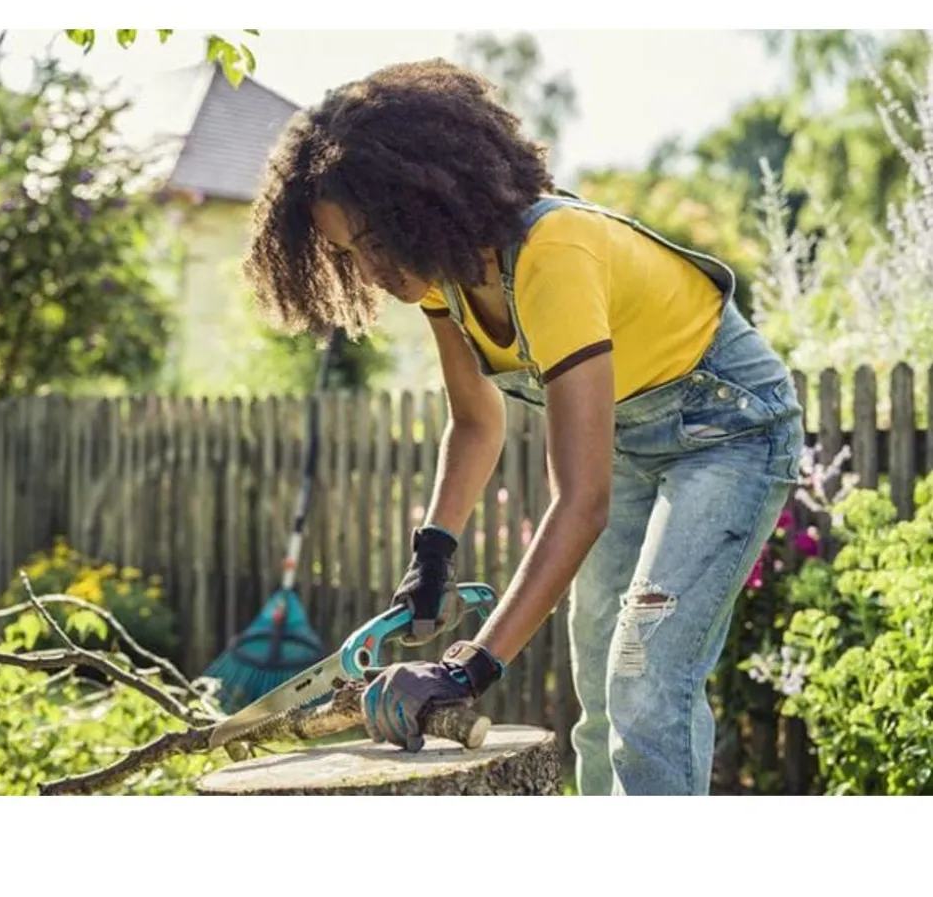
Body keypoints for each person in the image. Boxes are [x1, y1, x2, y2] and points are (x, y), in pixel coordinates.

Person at [243, 58, 804, 795]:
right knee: (600, 689)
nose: (371, 269)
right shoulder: (443, 279)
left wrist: (466, 666)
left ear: (421, 199)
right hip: (636, 441)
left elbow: (582, 499)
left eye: (375, 239)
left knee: (643, 678)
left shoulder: (553, 254)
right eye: (349, 253)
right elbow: (476, 423)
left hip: (731, 431)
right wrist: (432, 555)